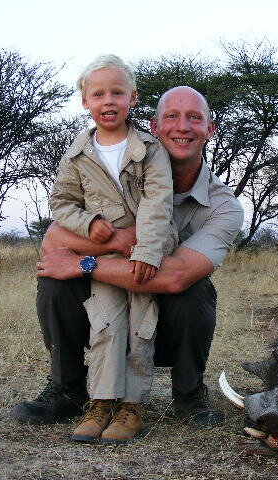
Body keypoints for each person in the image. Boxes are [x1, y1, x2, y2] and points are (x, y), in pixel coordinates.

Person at [12, 85, 244, 435]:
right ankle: (67, 389)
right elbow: (55, 238)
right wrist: (121, 240)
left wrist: (84, 263)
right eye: (172, 117)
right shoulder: (114, 171)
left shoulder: (224, 206)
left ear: (209, 130)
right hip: (107, 316)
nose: (182, 126)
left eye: (194, 118)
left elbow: (175, 276)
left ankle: (189, 393)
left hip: (163, 321)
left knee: (194, 291)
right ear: (153, 126)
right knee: (53, 282)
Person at [45, 54, 177, 445]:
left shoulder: (151, 150)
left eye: (116, 93)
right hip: (104, 254)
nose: (108, 101)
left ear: (132, 98)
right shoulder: (76, 154)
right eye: (98, 94)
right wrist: (90, 226)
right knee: (105, 323)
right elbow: (61, 203)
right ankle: (101, 401)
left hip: (144, 253)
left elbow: (158, 203)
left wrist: (148, 253)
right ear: (84, 101)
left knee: (141, 326)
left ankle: (132, 405)